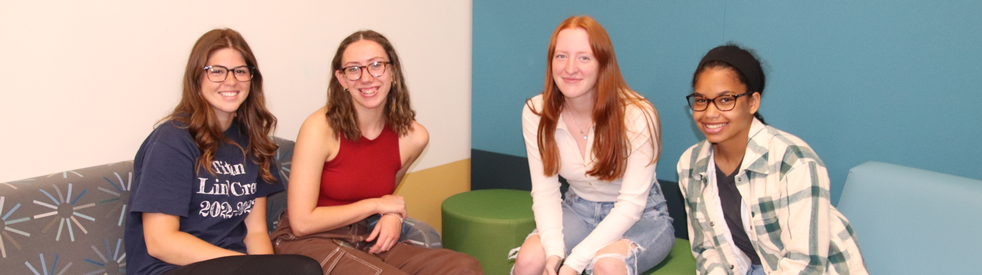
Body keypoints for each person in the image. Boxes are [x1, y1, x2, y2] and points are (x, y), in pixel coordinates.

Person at [270, 30, 483, 275]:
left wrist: (392, 214)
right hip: (306, 242)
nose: (366, 77)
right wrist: (377, 206)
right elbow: (301, 223)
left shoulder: (413, 137)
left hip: (362, 236)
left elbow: (386, 196)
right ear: (342, 79)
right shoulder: (320, 127)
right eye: (353, 69)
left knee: (464, 267)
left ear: (392, 72)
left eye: (376, 65)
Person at [124, 29, 323, 275]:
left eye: (240, 71)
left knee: (302, 269)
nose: (231, 81)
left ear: (252, 80)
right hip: (169, 268)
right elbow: (161, 242)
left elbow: (256, 231)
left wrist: (265, 269)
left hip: (232, 266)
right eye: (216, 71)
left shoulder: (253, 141)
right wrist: (253, 268)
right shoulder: (172, 141)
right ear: (197, 79)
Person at [676, 44, 868, 275]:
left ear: (753, 102)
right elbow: (709, 248)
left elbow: (805, 266)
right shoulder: (691, 165)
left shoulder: (795, 162)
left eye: (725, 99)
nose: (710, 112)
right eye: (700, 100)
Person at [512, 16, 675, 275]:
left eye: (584, 58)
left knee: (605, 266)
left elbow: (631, 206)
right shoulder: (536, 111)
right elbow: (545, 193)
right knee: (529, 260)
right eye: (561, 56)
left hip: (642, 216)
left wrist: (573, 265)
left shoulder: (637, 114)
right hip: (579, 208)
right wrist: (555, 253)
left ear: (603, 64)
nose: (570, 68)